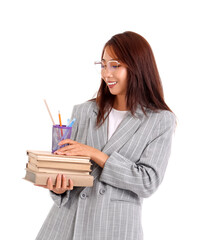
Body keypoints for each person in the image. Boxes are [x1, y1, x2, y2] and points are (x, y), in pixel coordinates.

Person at [35, 31, 176, 240]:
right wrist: (59, 187)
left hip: (115, 227)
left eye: (115, 65)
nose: (106, 73)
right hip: (67, 225)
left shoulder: (159, 120)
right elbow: (69, 170)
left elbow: (147, 182)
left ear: (138, 67)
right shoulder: (83, 111)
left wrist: (94, 154)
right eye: (102, 65)